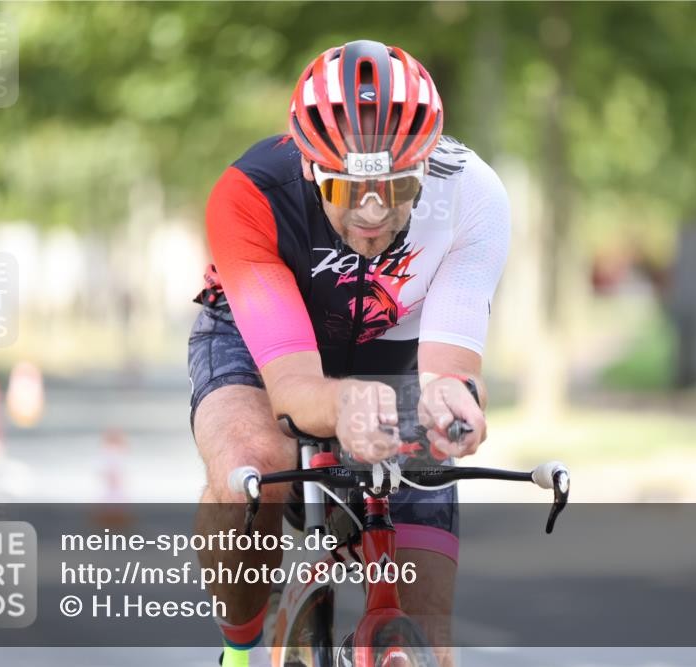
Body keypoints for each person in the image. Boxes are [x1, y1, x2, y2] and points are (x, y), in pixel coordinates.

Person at [188, 40, 509, 667]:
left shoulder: (475, 195)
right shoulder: (249, 194)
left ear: (427, 165)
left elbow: (450, 368)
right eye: (349, 186)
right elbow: (294, 387)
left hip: (396, 340)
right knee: (250, 466)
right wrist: (340, 403)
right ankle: (241, 652)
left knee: (430, 632)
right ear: (310, 168)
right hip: (267, 334)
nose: (373, 211)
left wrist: (453, 397)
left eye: (397, 186)